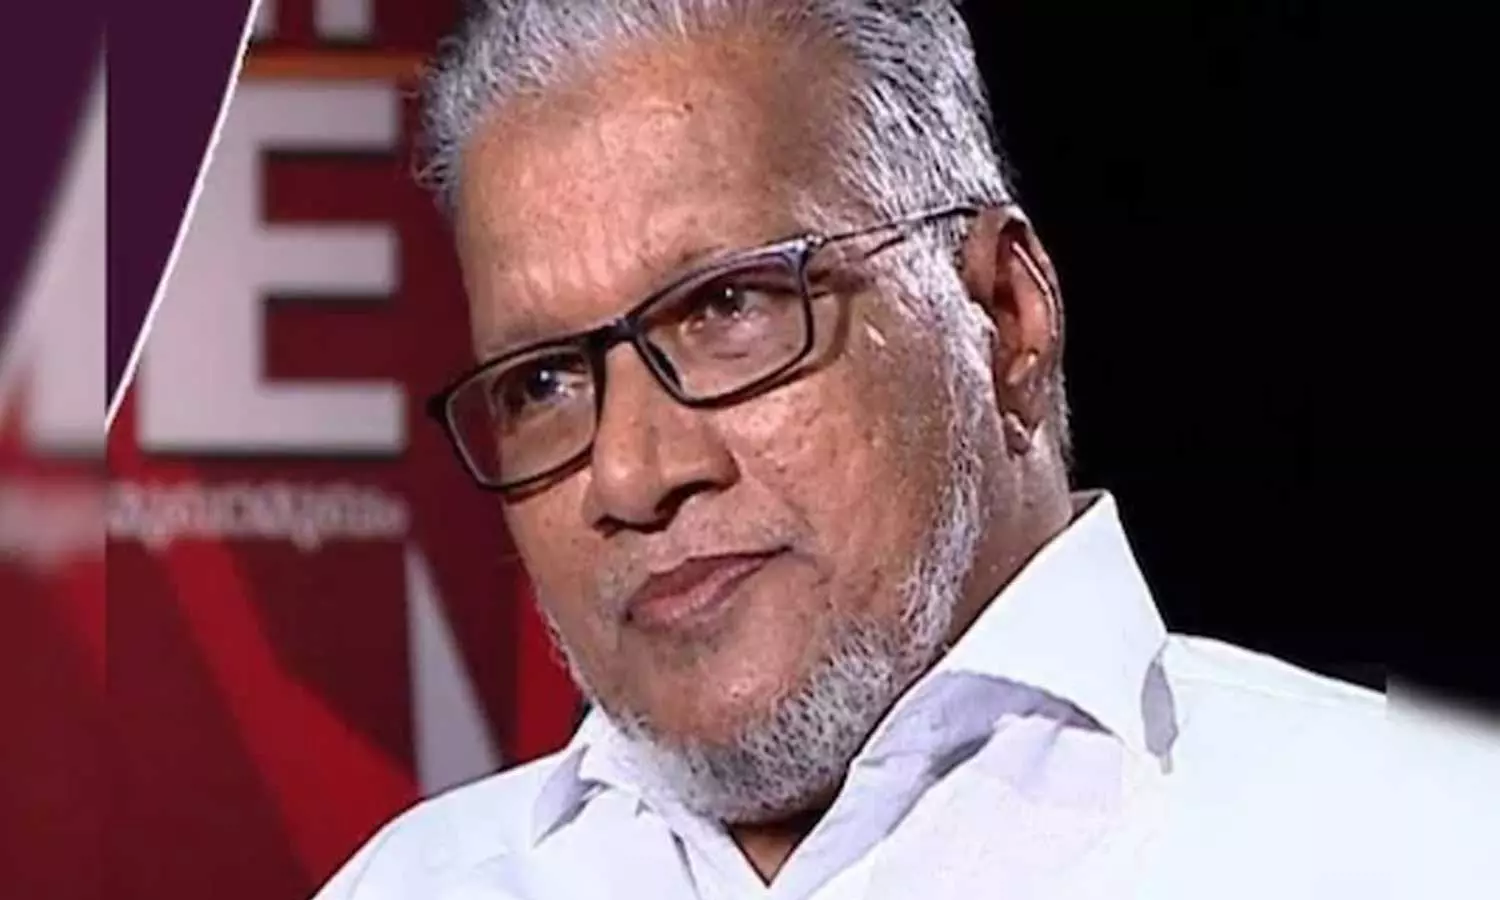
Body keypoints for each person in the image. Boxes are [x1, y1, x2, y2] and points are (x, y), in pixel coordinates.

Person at [314, 2, 1497, 897]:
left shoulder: (1427, 842)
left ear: (1004, 317)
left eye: (728, 307)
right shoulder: (411, 886)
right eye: (545, 382)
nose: (631, 473)